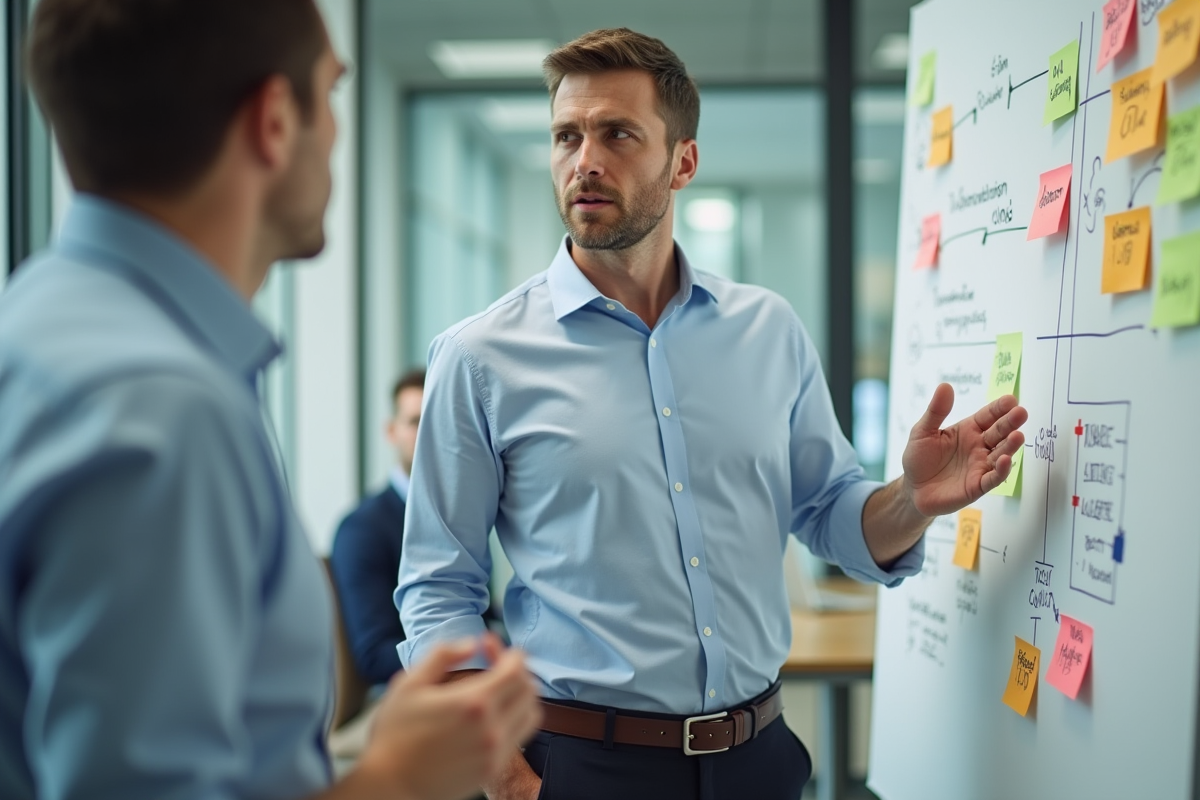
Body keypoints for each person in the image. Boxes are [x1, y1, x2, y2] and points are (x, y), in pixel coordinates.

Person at [396, 27, 1029, 800]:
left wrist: (911, 500)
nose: (585, 160)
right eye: (567, 136)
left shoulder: (768, 330)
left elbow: (830, 513)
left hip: (758, 760)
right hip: (579, 767)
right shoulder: (479, 357)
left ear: (683, 162)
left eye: (617, 134)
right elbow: (438, 587)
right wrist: (502, 775)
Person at [0, 3, 539, 800]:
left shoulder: (38, 322)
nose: (339, 133)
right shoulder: (163, 409)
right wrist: (395, 777)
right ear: (276, 121)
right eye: (333, 93)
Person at [331, 369, 425, 687]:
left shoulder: (461, 516)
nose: (428, 434)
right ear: (391, 431)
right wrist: (473, 654)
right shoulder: (362, 529)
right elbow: (374, 655)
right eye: (415, 422)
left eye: (436, 421)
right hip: (402, 695)